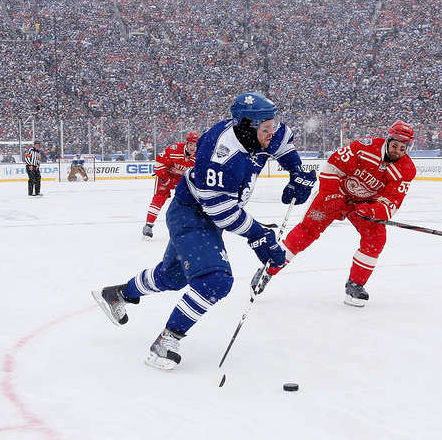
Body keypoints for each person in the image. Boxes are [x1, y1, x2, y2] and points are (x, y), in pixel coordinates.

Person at [93, 92, 316, 370]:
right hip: (193, 214)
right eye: (265, 129)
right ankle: (167, 340)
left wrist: (296, 170)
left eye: (272, 125)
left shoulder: (257, 128)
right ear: (247, 127)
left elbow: (282, 140)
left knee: (172, 276)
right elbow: (221, 212)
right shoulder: (219, 152)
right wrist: (259, 235)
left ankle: (119, 293)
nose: (272, 133)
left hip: (207, 213)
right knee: (216, 280)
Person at [251, 121, 416, 307]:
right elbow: (332, 166)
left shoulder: (407, 169)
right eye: (395, 146)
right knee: (306, 232)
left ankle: (355, 285)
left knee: (376, 238)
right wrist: (332, 194)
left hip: (364, 205)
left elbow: (392, 201)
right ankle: (269, 270)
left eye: (403, 148)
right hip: (336, 193)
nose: (397, 151)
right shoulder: (364, 147)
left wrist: (372, 210)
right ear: (388, 140)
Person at [142, 131, 199, 238]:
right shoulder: (174, 149)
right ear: (186, 143)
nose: (193, 148)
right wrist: (165, 179)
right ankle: (148, 225)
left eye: (195, 145)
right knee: (159, 197)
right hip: (167, 175)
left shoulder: (199, 156)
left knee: (188, 201)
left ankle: (188, 226)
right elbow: (159, 162)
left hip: (182, 180)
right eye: (190, 144)